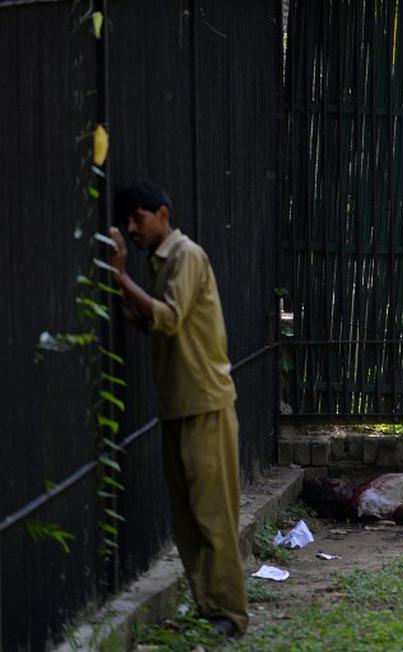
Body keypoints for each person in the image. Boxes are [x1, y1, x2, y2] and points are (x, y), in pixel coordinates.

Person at [107, 179, 248, 637]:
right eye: (127, 222)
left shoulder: (185, 256)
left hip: (205, 405)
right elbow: (166, 326)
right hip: (179, 406)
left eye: (139, 219)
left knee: (213, 514)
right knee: (187, 519)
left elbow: (168, 318)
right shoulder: (162, 262)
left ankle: (230, 613)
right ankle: (210, 608)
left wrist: (121, 278)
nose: (132, 229)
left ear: (163, 215)